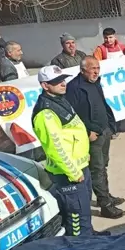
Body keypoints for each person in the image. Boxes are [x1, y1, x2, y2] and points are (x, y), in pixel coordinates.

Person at [32, 65, 93, 236]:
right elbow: (55, 149)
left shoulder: (59, 99)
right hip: (69, 175)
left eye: (63, 79)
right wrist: (74, 172)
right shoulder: (46, 112)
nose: (62, 83)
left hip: (81, 167)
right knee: (77, 220)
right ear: (45, 85)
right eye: (56, 81)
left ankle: (91, 238)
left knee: (84, 212)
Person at [65, 56, 125, 219]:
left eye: (98, 68)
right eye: (93, 69)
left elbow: (102, 104)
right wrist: (87, 133)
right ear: (83, 70)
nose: (96, 72)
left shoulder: (96, 83)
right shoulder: (74, 88)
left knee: (103, 165)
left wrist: (111, 125)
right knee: (96, 169)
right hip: (91, 136)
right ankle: (105, 205)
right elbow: (72, 116)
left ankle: (104, 196)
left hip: (104, 131)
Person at [93, 28, 125, 132]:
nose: (108, 40)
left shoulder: (123, 47)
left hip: (124, 81)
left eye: (110, 37)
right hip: (110, 84)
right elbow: (96, 64)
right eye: (106, 38)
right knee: (113, 106)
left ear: (115, 36)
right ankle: (115, 128)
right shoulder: (100, 49)